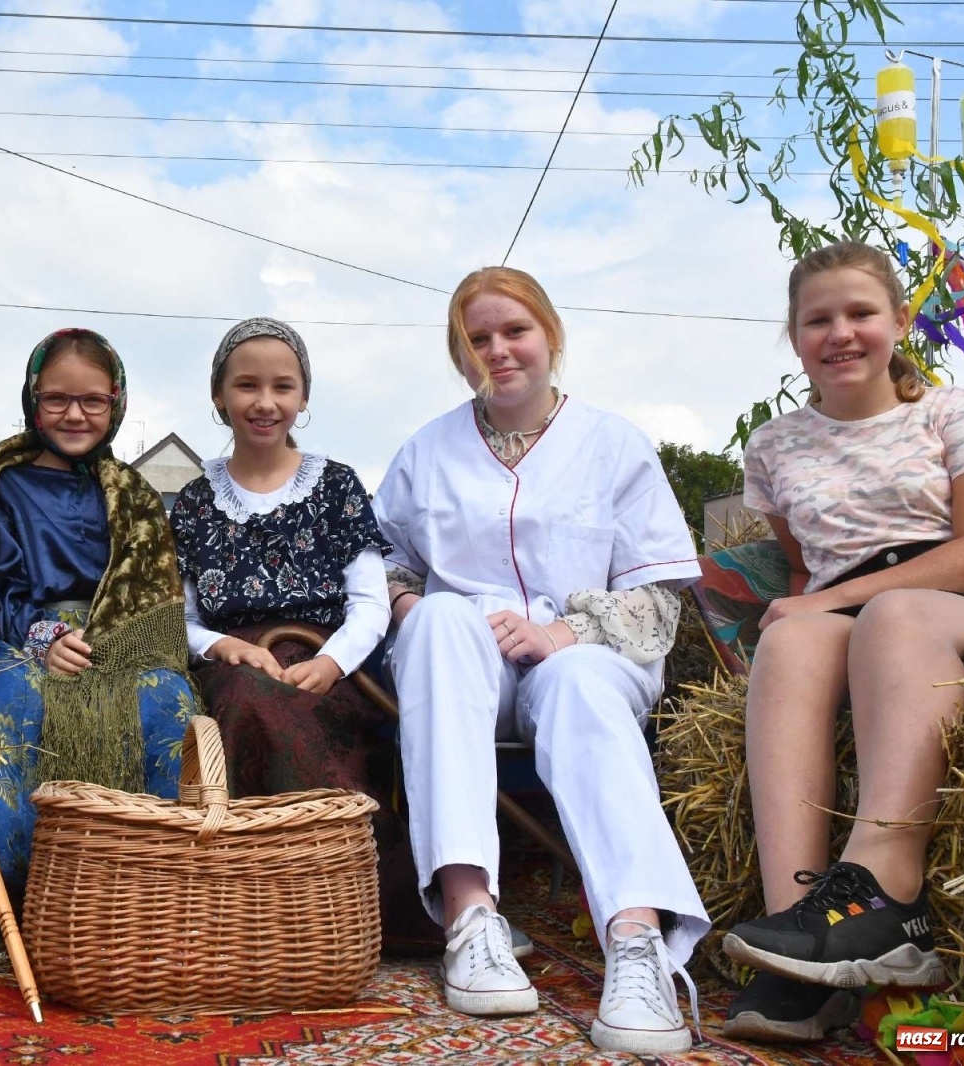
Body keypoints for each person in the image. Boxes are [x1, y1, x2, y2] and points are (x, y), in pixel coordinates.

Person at [373, 267, 707, 1054]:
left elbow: (659, 595)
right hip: (470, 671)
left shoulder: (614, 443)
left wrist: (567, 634)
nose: (498, 350)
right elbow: (386, 561)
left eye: (513, 331)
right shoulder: (426, 450)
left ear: (550, 336)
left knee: (579, 685)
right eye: (476, 339)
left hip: (588, 653)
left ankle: (637, 943)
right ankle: (471, 917)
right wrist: (413, 609)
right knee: (439, 622)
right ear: (459, 356)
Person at [722, 241, 964, 1043]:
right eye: (819, 319)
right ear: (795, 338)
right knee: (787, 647)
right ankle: (804, 939)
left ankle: (889, 898)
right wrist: (812, 613)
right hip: (844, 610)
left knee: (888, 616)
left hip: (962, 603)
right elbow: (799, 567)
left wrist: (841, 599)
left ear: (896, 323)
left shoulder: (949, 410)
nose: (841, 332)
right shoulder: (774, 445)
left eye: (860, 313)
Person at [0, 328, 199, 888]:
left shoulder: (133, 494)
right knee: (10, 705)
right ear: (31, 399)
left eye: (93, 400)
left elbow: (153, 598)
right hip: (19, 642)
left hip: (115, 646)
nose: (74, 414)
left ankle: (157, 885)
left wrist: (108, 644)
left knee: (170, 701)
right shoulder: (0, 485)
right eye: (56, 398)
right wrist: (42, 636)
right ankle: (16, 885)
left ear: (117, 403)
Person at [169, 318, 431, 942]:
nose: (265, 402)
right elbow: (178, 618)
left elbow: (370, 603)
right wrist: (222, 645)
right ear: (218, 397)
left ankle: (368, 901)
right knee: (243, 702)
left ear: (304, 397)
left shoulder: (336, 486)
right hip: (232, 665)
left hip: (328, 664)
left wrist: (332, 664)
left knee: (286, 706)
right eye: (247, 386)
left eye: (283, 387)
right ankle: (251, 911)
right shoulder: (195, 500)